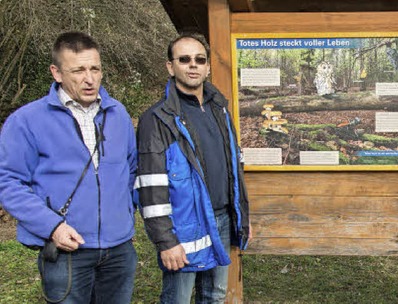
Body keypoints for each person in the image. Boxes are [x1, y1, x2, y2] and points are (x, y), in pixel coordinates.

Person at [0, 31, 137, 303]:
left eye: (95, 68)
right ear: (57, 73)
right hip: (67, 249)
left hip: (119, 249)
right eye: (78, 70)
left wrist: (124, 215)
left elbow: (131, 169)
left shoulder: (118, 113)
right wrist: (53, 226)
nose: (89, 78)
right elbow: (8, 183)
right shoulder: (26, 121)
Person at [135, 32, 251, 303]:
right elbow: (150, 188)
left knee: (215, 295)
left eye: (199, 59)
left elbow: (235, 167)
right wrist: (166, 241)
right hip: (182, 224)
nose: (193, 65)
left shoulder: (219, 109)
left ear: (208, 66)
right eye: (184, 59)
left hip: (221, 218)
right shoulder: (157, 119)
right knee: (178, 298)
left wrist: (241, 216)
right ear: (170, 66)